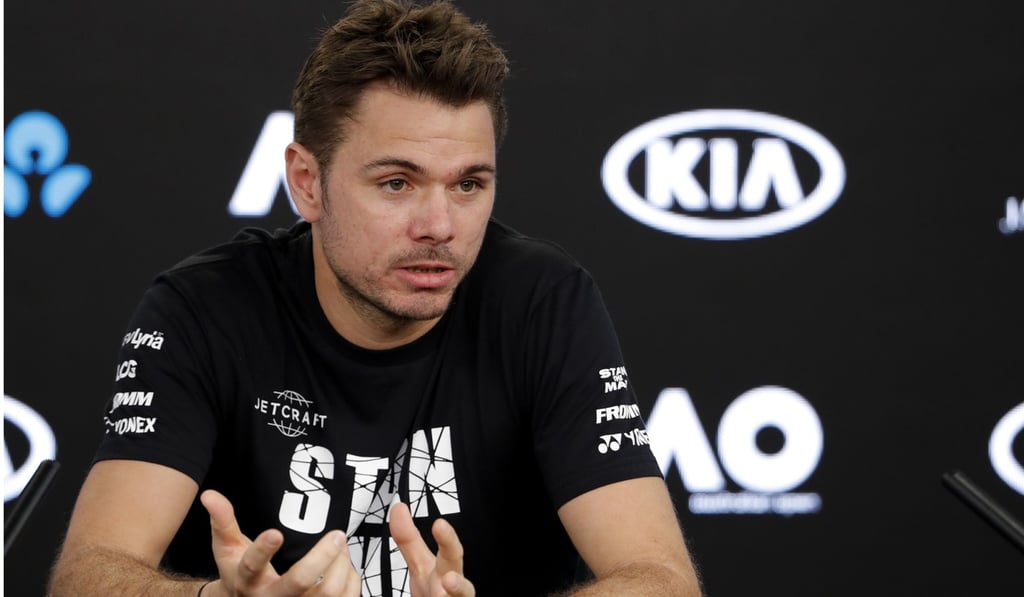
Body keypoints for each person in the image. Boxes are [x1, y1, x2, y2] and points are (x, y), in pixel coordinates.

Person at [48, 1, 702, 595]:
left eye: (469, 184)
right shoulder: (202, 307)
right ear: (307, 182)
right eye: (396, 183)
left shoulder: (543, 302)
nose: (439, 226)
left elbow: (662, 581)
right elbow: (87, 574)